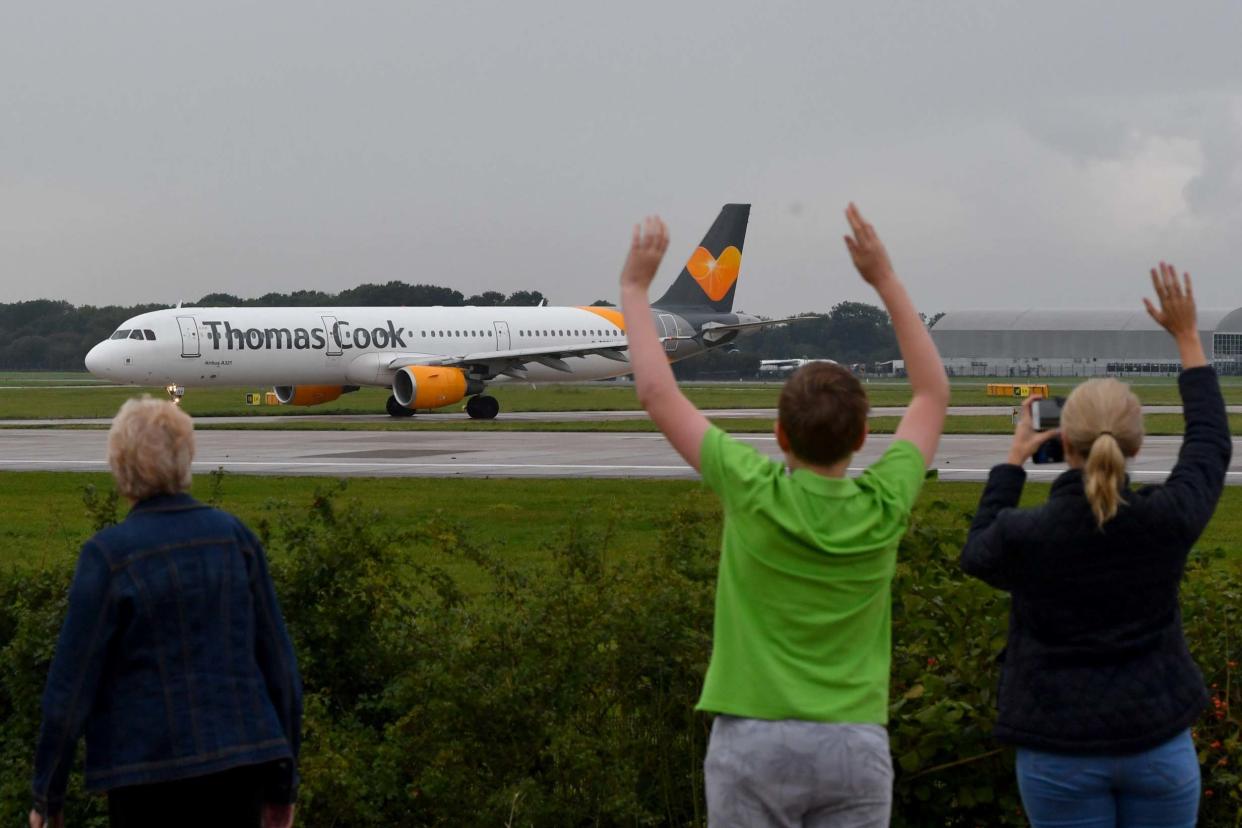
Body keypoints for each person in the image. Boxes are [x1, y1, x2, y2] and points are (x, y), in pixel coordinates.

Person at [620, 205, 950, 826]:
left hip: (755, 738)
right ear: (861, 439)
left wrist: (634, 290)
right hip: (853, 741)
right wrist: (885, 280)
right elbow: (933, 393)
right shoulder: (883, 502)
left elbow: (657, 393)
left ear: (778, 434)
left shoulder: (752, 488)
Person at [959, 264, 1232, 827]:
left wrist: (1012, 461)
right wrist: (1187, 339)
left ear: (1062, 441)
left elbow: (977, 551)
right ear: (1135, 441)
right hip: (1157, 741)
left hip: (1058, 748)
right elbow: (1209, 445)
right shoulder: (1166, 520)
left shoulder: (1025, 535)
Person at [30, 397, 302, 828]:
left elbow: (70, 686)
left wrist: (48, 795)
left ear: (119, 465)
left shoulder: (109, 556)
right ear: (186, 457)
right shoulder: (236, 538)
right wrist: (283, 786)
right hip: (240, 764)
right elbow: (281, 672)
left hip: (145, 774)